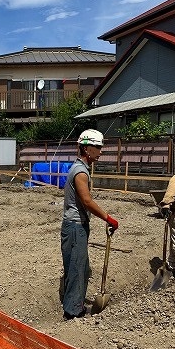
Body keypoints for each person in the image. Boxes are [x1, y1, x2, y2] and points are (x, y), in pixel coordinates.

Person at [61, 129, 119, 320]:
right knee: (77, 269)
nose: (100, 151)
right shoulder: (80, 173)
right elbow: (86, 201)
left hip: (78, 226)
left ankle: (74, 306)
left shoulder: (82, 169)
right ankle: (73, 312)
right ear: (86, 149)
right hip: (75, 227)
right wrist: (107, 217)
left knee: (80, 267)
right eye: (98, 147)